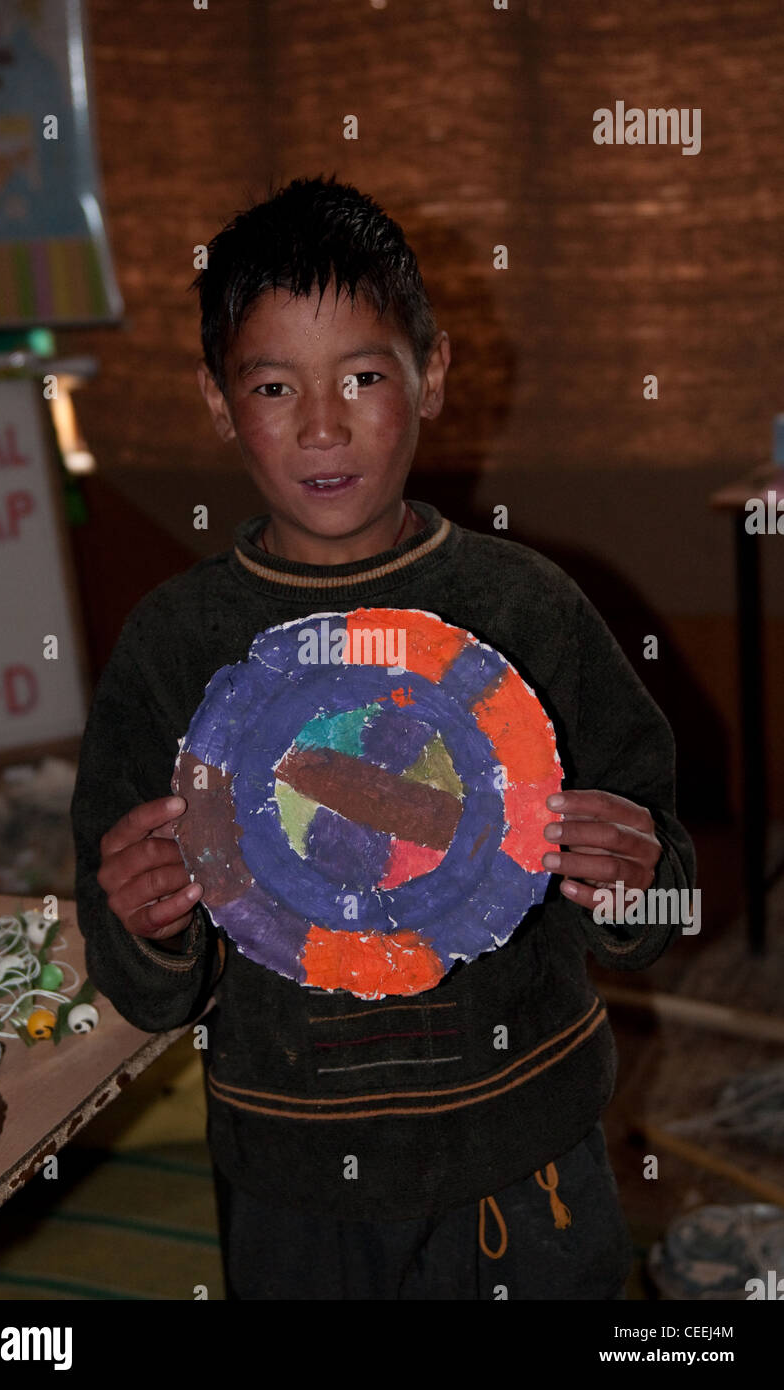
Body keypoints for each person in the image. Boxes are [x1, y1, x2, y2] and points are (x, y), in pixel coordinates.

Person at [70, 174, 696, 1301]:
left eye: (362, 374)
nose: (322, 423)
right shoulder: (176, 645)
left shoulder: (529, 608)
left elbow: (660, 894)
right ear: (217, 400)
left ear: (434, 373)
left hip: (524, 1148)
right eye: (273, 385)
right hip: (291, 1174)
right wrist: (145, 920)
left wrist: (635, 883)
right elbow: (143, 983)